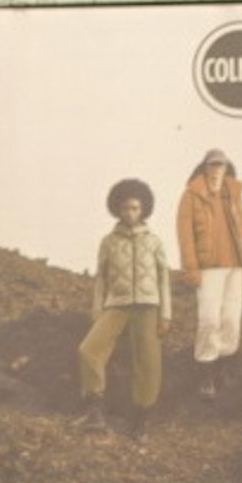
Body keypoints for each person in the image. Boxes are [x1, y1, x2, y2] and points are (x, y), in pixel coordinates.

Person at [77, 178, 166, 433]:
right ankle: (94, 411)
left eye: (135, 208)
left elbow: (164, 282)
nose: (130, 213)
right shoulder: (108, 241)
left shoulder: (154, 242)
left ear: (144, 209)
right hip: (116, 304)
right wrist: (98, 309)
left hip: (148, 306)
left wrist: (166, 315)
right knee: (89, 350)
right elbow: (101, 278)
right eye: (126, 208)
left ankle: (140, 420)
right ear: (118, 208)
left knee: (149, 362)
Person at [174, 151, 242, 403]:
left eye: (222, 165)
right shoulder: (191, 196)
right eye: (213, 165)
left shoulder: (234, 195)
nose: (217, 169)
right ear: (205, 168)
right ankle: (205, 374)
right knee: (209, 319)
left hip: (235, 268)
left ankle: (224, 370)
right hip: (208, 268)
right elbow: (185, 235)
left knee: (231, 320)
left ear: (227, 168)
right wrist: (191, 268)